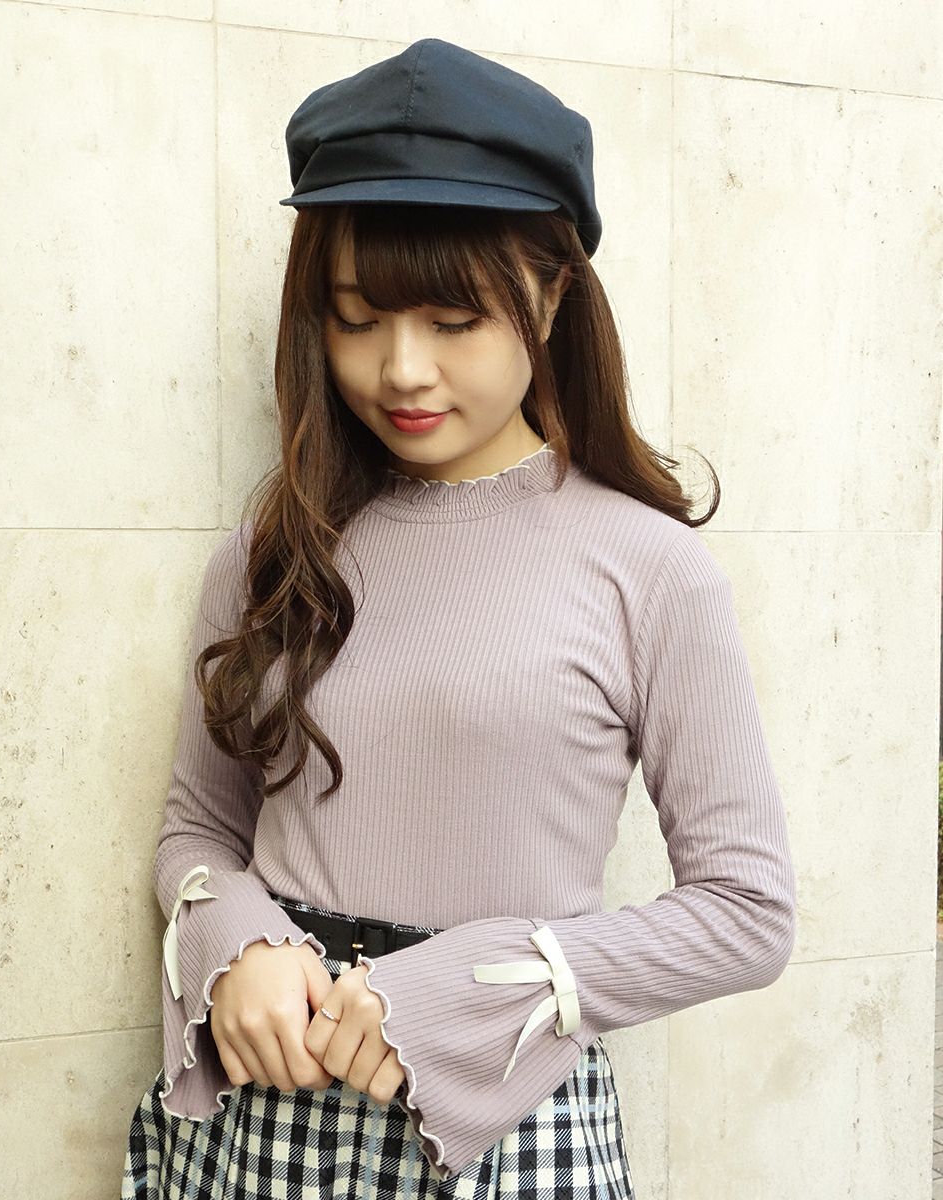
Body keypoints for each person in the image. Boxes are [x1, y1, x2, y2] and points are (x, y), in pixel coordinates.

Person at [121, 36, 796, 1200]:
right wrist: (236, 942)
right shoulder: (275, 550)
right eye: (355, 319)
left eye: (451, 319)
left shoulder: (647, 568)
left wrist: (484, 982)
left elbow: (747, 913)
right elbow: (196, 830)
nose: (400, 371)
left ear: (552, 291)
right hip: (258, 1131)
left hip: (507, 1141)